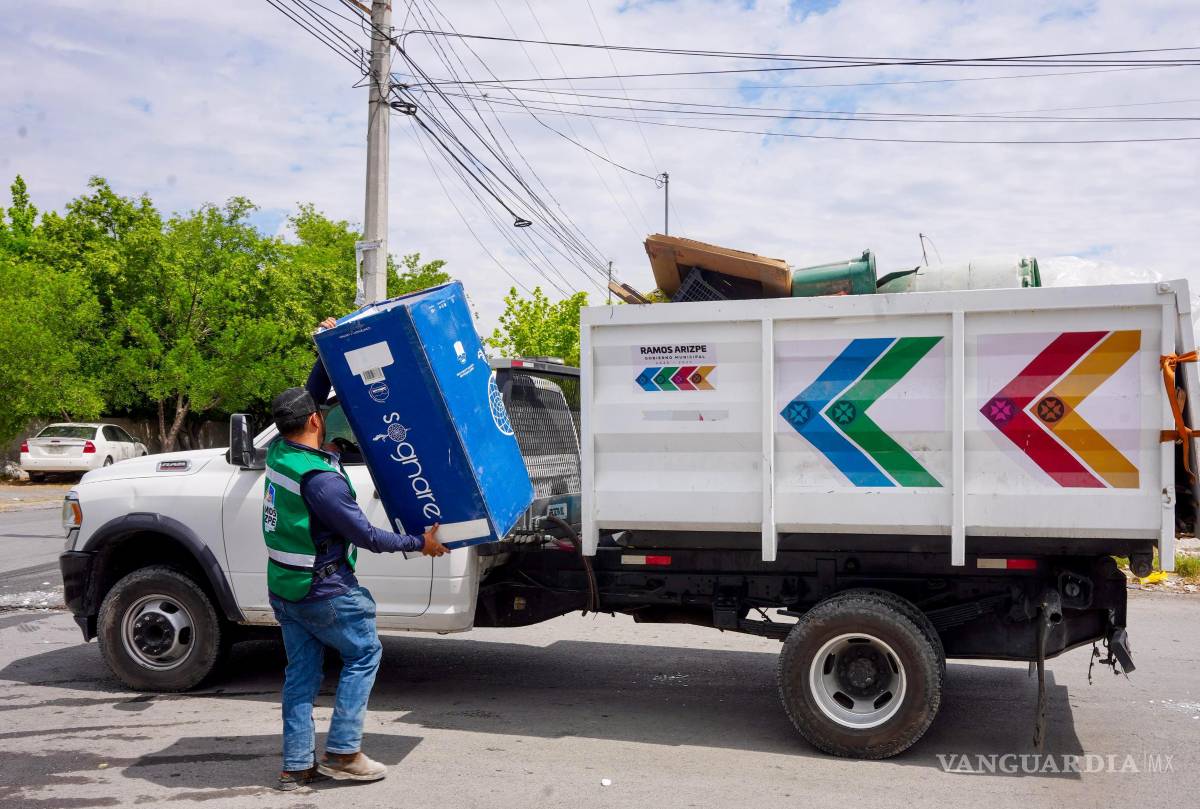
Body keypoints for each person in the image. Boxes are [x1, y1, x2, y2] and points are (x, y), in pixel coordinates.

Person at [264, 317, 450, 791]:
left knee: (301, 677)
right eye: (320, 411)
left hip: (286, 589)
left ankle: (296, 766)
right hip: (323, 589)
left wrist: (325, 347)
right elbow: (367, 535)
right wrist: (420, 543)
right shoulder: (320, 480)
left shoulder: (280, 455)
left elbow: (311, 394)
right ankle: (344, 752)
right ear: (314, 421)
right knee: (364, 653)